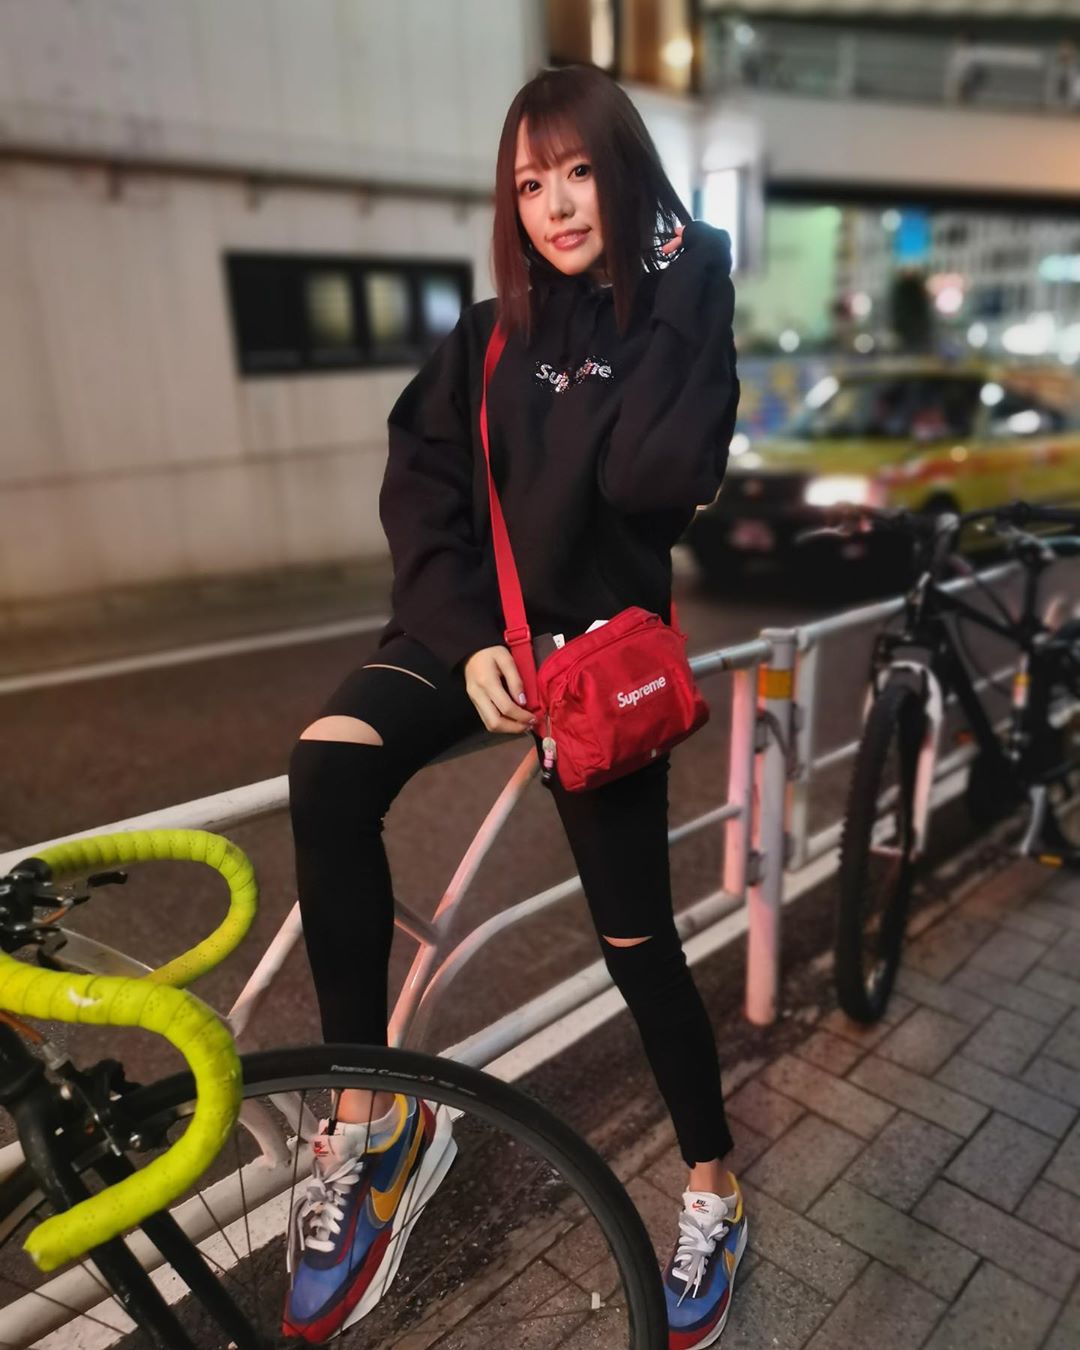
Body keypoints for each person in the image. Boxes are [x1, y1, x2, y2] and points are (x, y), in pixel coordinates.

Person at [284, 63, 744, 1348]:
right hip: (470, 640)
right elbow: (421, 492)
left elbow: (654, 476)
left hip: (596, 662)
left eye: (581, 173)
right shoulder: (486, 337)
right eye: (531, 183)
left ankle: (714, 1185)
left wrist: (694, 274)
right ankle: (373, 1120)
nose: (557, 205)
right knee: (325, 768)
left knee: (636, 945)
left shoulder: (671, 325)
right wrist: (466, 637)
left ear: (630, 179)